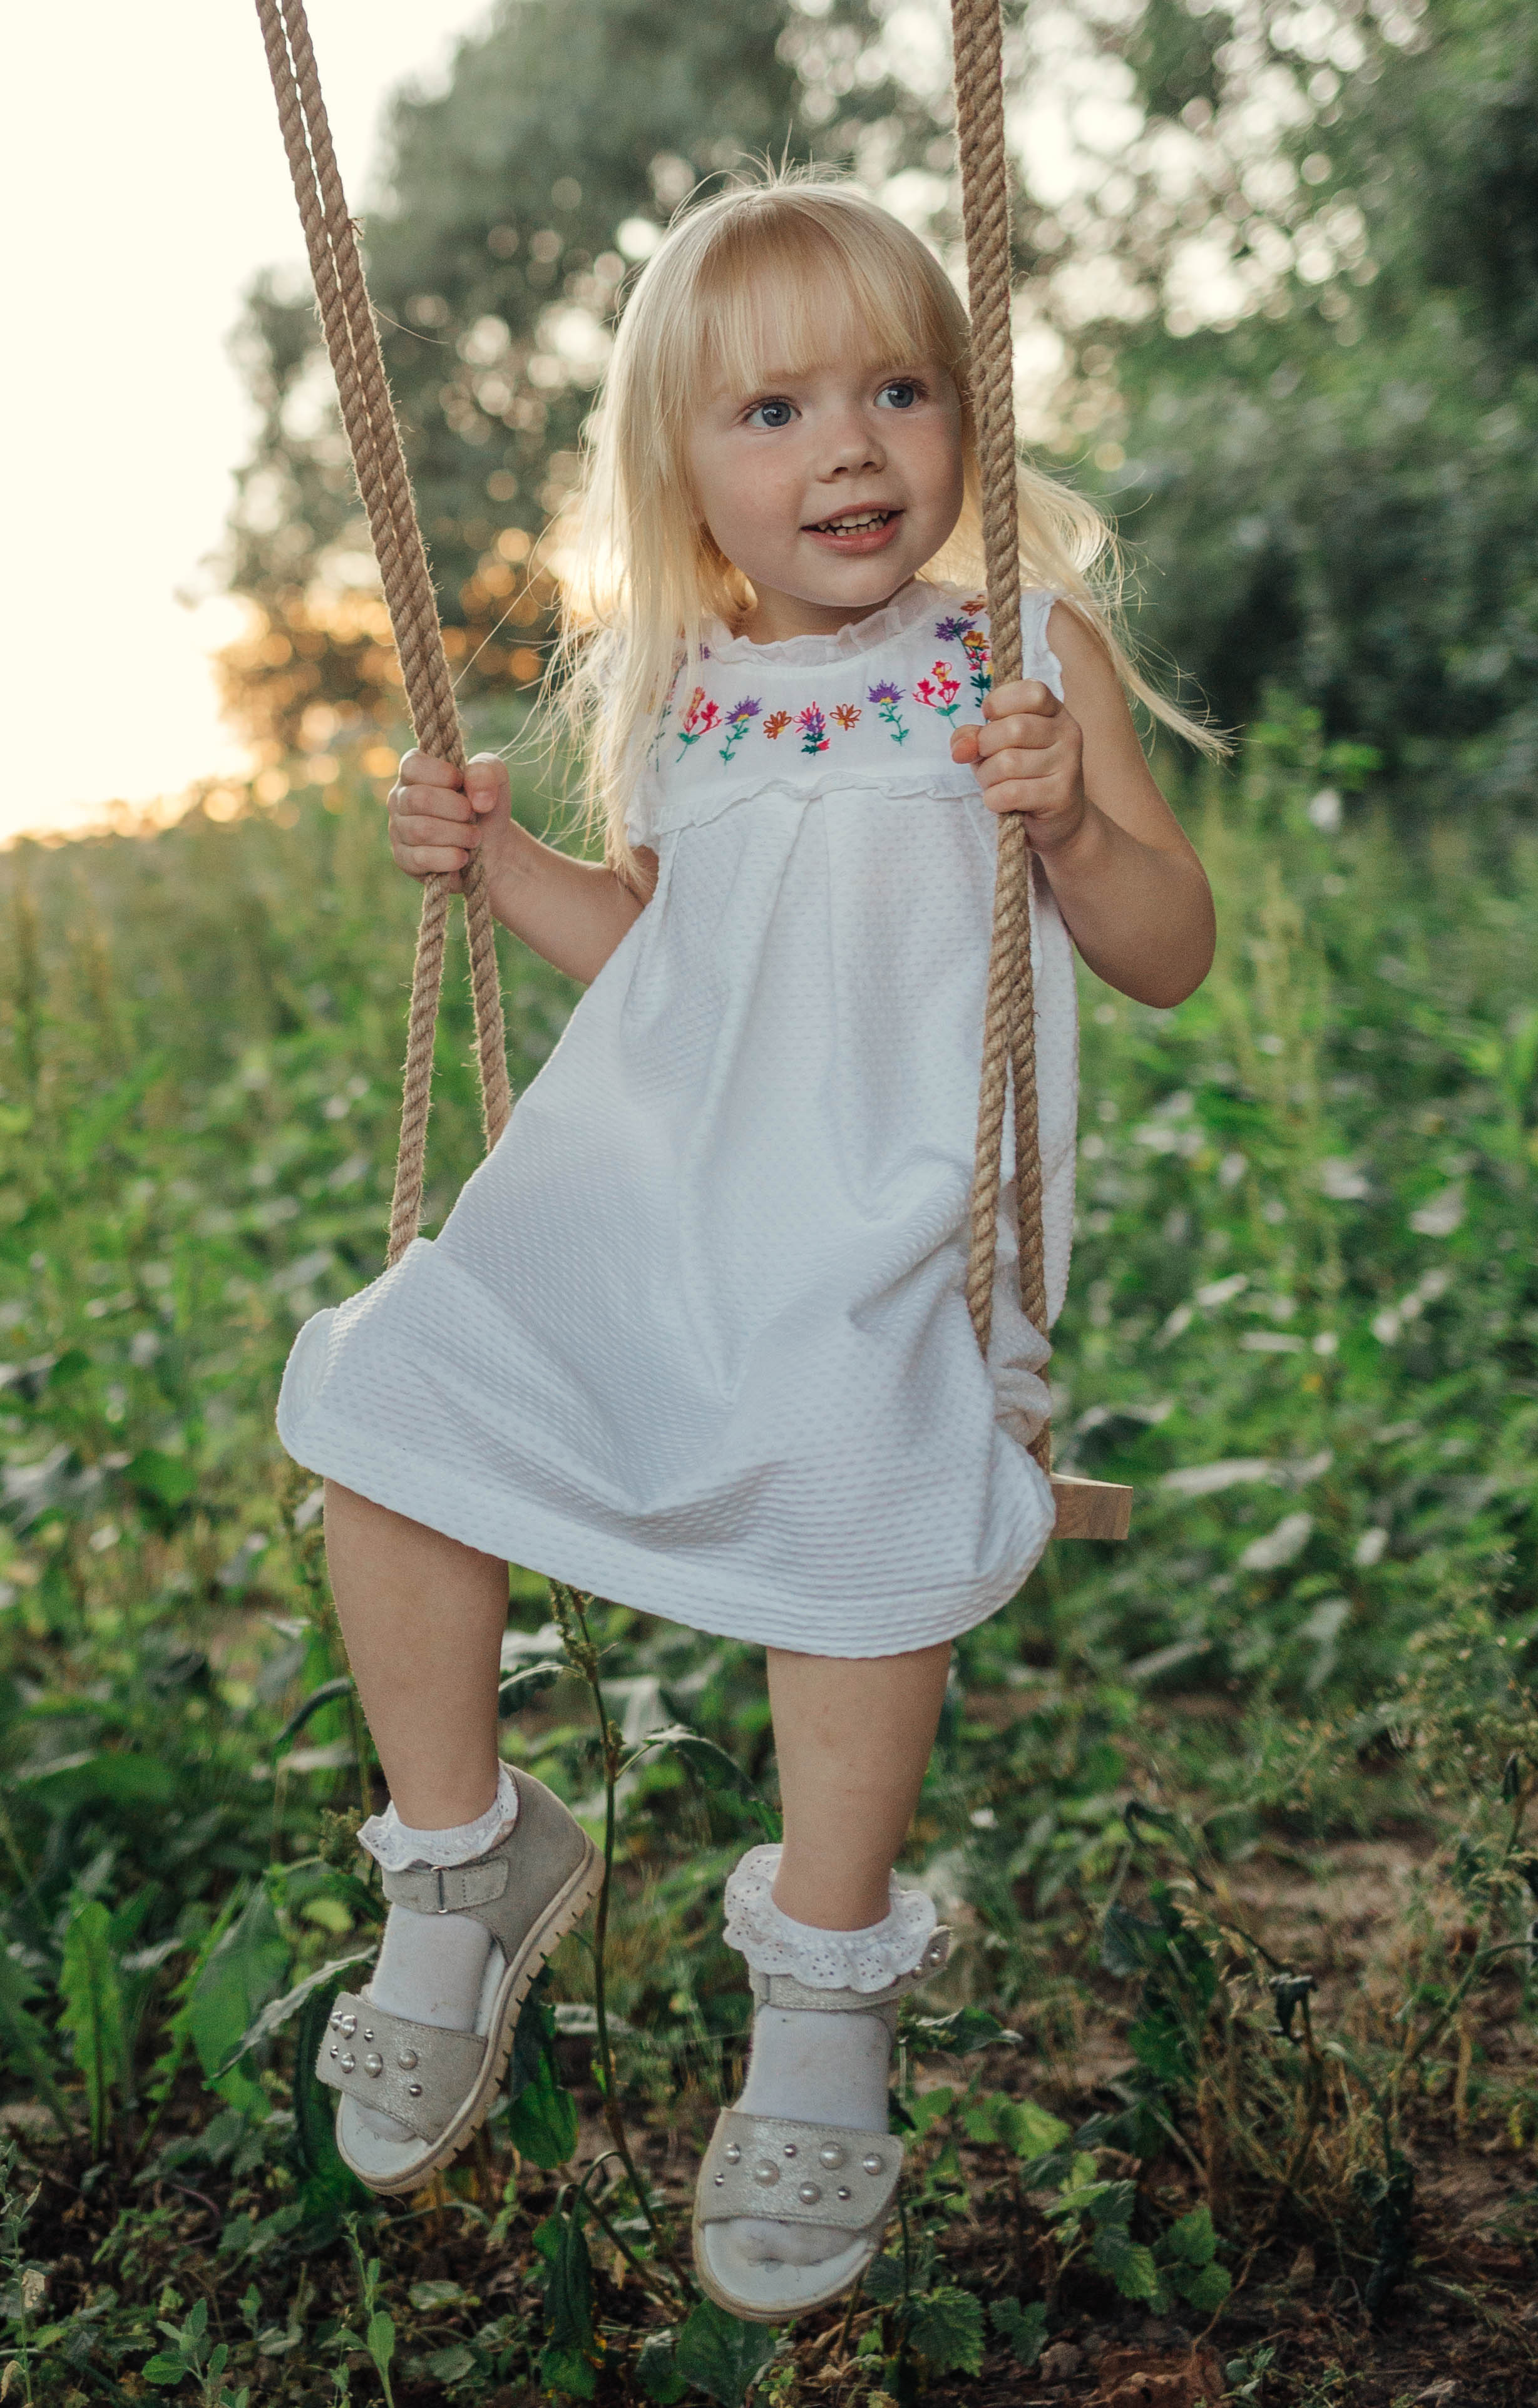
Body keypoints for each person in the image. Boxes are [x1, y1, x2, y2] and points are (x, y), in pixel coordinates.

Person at [275, 171, 1216, 2320]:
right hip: (657, 1196)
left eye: (897, 389)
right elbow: (654, 961)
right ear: (679, 467)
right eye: (773, 410)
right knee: (393, 1393)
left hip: (882, 1229)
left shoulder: (1018, 656)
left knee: (863, 1482)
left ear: (965, 421)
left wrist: (1071, 817)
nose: (852, 448)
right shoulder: (679, 685)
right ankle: (460, 1855)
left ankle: (821, 1993)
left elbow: (1163, 953)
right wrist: (501, 860)